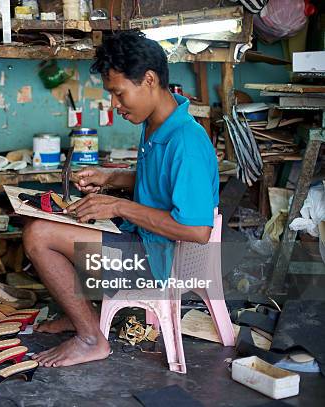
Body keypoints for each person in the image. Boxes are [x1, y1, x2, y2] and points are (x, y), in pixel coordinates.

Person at [22, 30, 219, 367]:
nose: (115, 104)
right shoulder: (158, 125)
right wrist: (111, 178)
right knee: (55, 217)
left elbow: (197, 230)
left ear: (150, 80)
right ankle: (81, 313)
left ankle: (90, 338)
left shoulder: (187, 141)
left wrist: (117, 205)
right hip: (144, 244)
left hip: (159, 265)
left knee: (39, 234)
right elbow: (160, 183)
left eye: (118, 93)